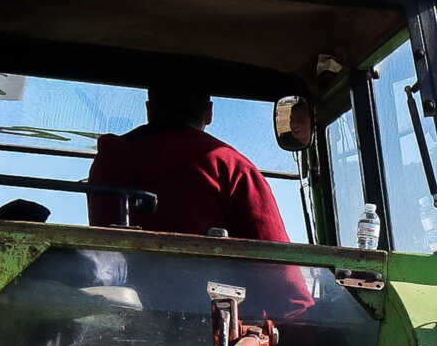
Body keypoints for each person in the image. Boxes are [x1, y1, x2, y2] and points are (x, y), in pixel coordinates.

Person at [86, 87, 292, 241]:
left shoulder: (109, 159)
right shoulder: (231, 166)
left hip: (113, 294)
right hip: (207, 297)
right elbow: (278, 262)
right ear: (209, 113)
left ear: (149, 110)